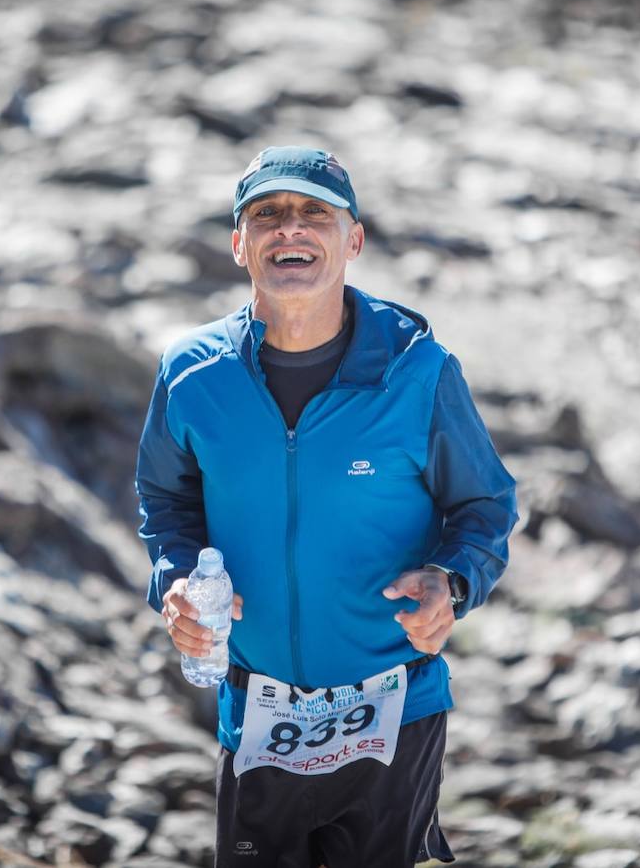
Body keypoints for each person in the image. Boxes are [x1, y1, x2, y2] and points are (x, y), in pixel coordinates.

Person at [135, 145, 518, 867]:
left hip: (394, 708)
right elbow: (166, 494)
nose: (291, 229)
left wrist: (453, 580)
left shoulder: (419, 371)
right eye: (268, 214)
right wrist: (179, 577)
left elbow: (486, 502)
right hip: (257, 711)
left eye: (315, 213)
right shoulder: (191, 374)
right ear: (239, 243)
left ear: (354, 240)